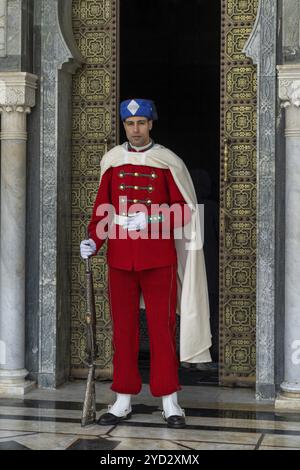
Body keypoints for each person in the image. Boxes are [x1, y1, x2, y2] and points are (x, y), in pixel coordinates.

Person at [80, 99, 212, 428]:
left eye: (141, 122)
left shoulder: (168, 161)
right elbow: (102, 209)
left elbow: (186, 212)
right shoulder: (112, 161)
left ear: (151, 124)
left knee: (161, 331)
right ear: (123, 126)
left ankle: (170, 401)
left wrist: (152, 219)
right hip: (122, 259)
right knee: (123, 331)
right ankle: (123, 399)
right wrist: (93, 241)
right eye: (129, 124)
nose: (135, 129)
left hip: (158, 258)